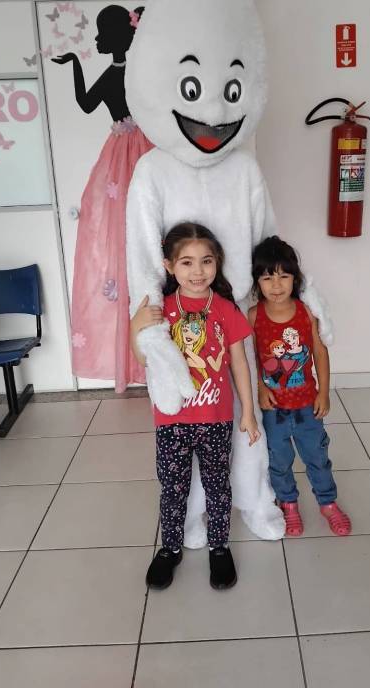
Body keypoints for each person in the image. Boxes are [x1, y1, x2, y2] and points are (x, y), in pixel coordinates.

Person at [130, 222, 260, 590]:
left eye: (206, 261)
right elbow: (143, 359)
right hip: (171, 421)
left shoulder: (225, 309)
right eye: (186, 262)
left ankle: (219, 546)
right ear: (169, 266)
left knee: (218, 486)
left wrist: (249, 413)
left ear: (217, 263)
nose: (198, 271)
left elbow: (239, 363)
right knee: (173, 488)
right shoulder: (161, 310)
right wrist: (135, 325)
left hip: (216, 419)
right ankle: (170, 548)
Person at [52, 5, 153, 392]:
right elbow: (86, 103)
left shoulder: (140, 74)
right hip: (123, 158)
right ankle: (132, 358)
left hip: (146, 152)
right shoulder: (115, 74)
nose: (99, 40)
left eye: (104, 33)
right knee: (118, 238)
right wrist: (76, 65)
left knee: (151, 231)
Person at [249, 236, 351, 538]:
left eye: (283, 276)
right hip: (274, 409)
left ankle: (327, 503)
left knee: (317, 457)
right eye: (267, 277)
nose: (276, 285)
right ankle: (288, 503)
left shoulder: (306, 312)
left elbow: (319, 352)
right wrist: (261, 388)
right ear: (257, 282)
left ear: (295, 278)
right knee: (279, 460)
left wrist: (324, 392)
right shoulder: (254, 316)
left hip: (307, 404)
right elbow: (252, 358)